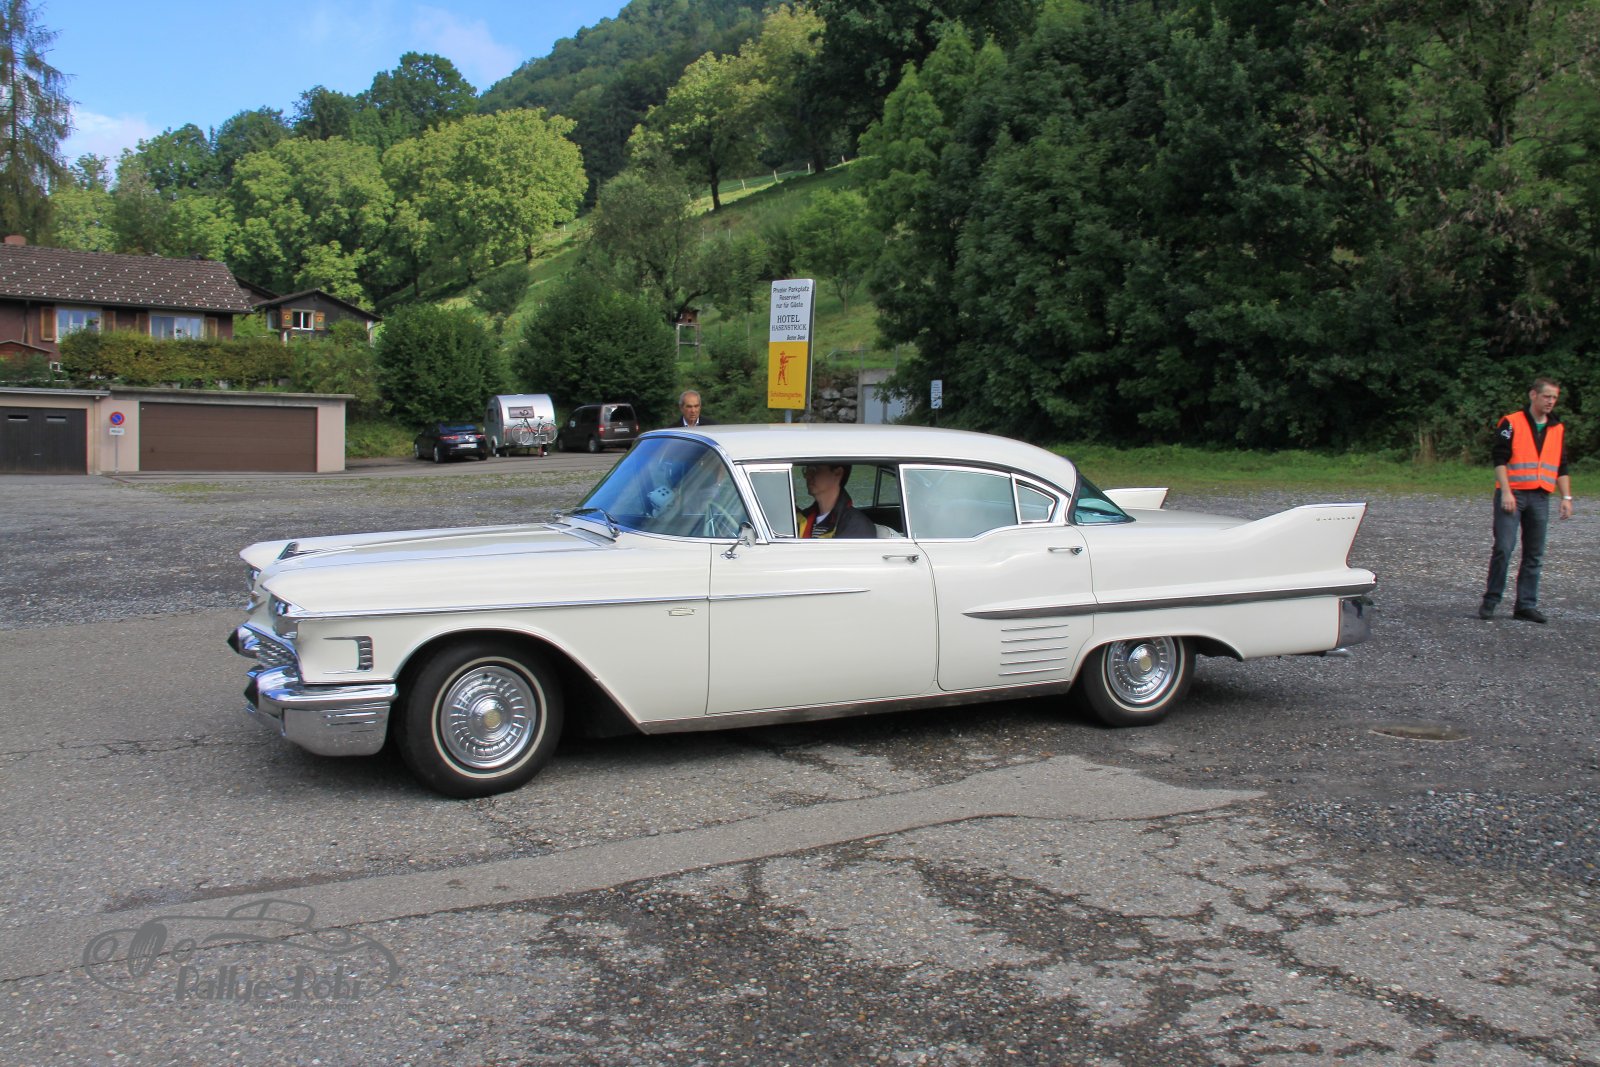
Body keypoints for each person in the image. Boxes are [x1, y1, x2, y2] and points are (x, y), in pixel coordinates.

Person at [1479, 377, 1574, 623]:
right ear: (1533, 395)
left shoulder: (1557, 427)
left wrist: (1566, 497)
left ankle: (1525, 605)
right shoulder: (1511, 422)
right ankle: (1491, 599)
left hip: (1541, 496)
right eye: (1547, 396)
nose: (1551, 401)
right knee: (1504, 547)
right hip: (1513, 494)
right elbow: (1499, 458)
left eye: (1554, 397)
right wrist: (1506, 491)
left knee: (1534, 553)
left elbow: (1561, 465)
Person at [797, 463, 877, 538]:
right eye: (807, 470)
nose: (807, 476)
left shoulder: (857, 525)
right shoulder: (804, 517)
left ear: (838, 473)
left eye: (814, 470)